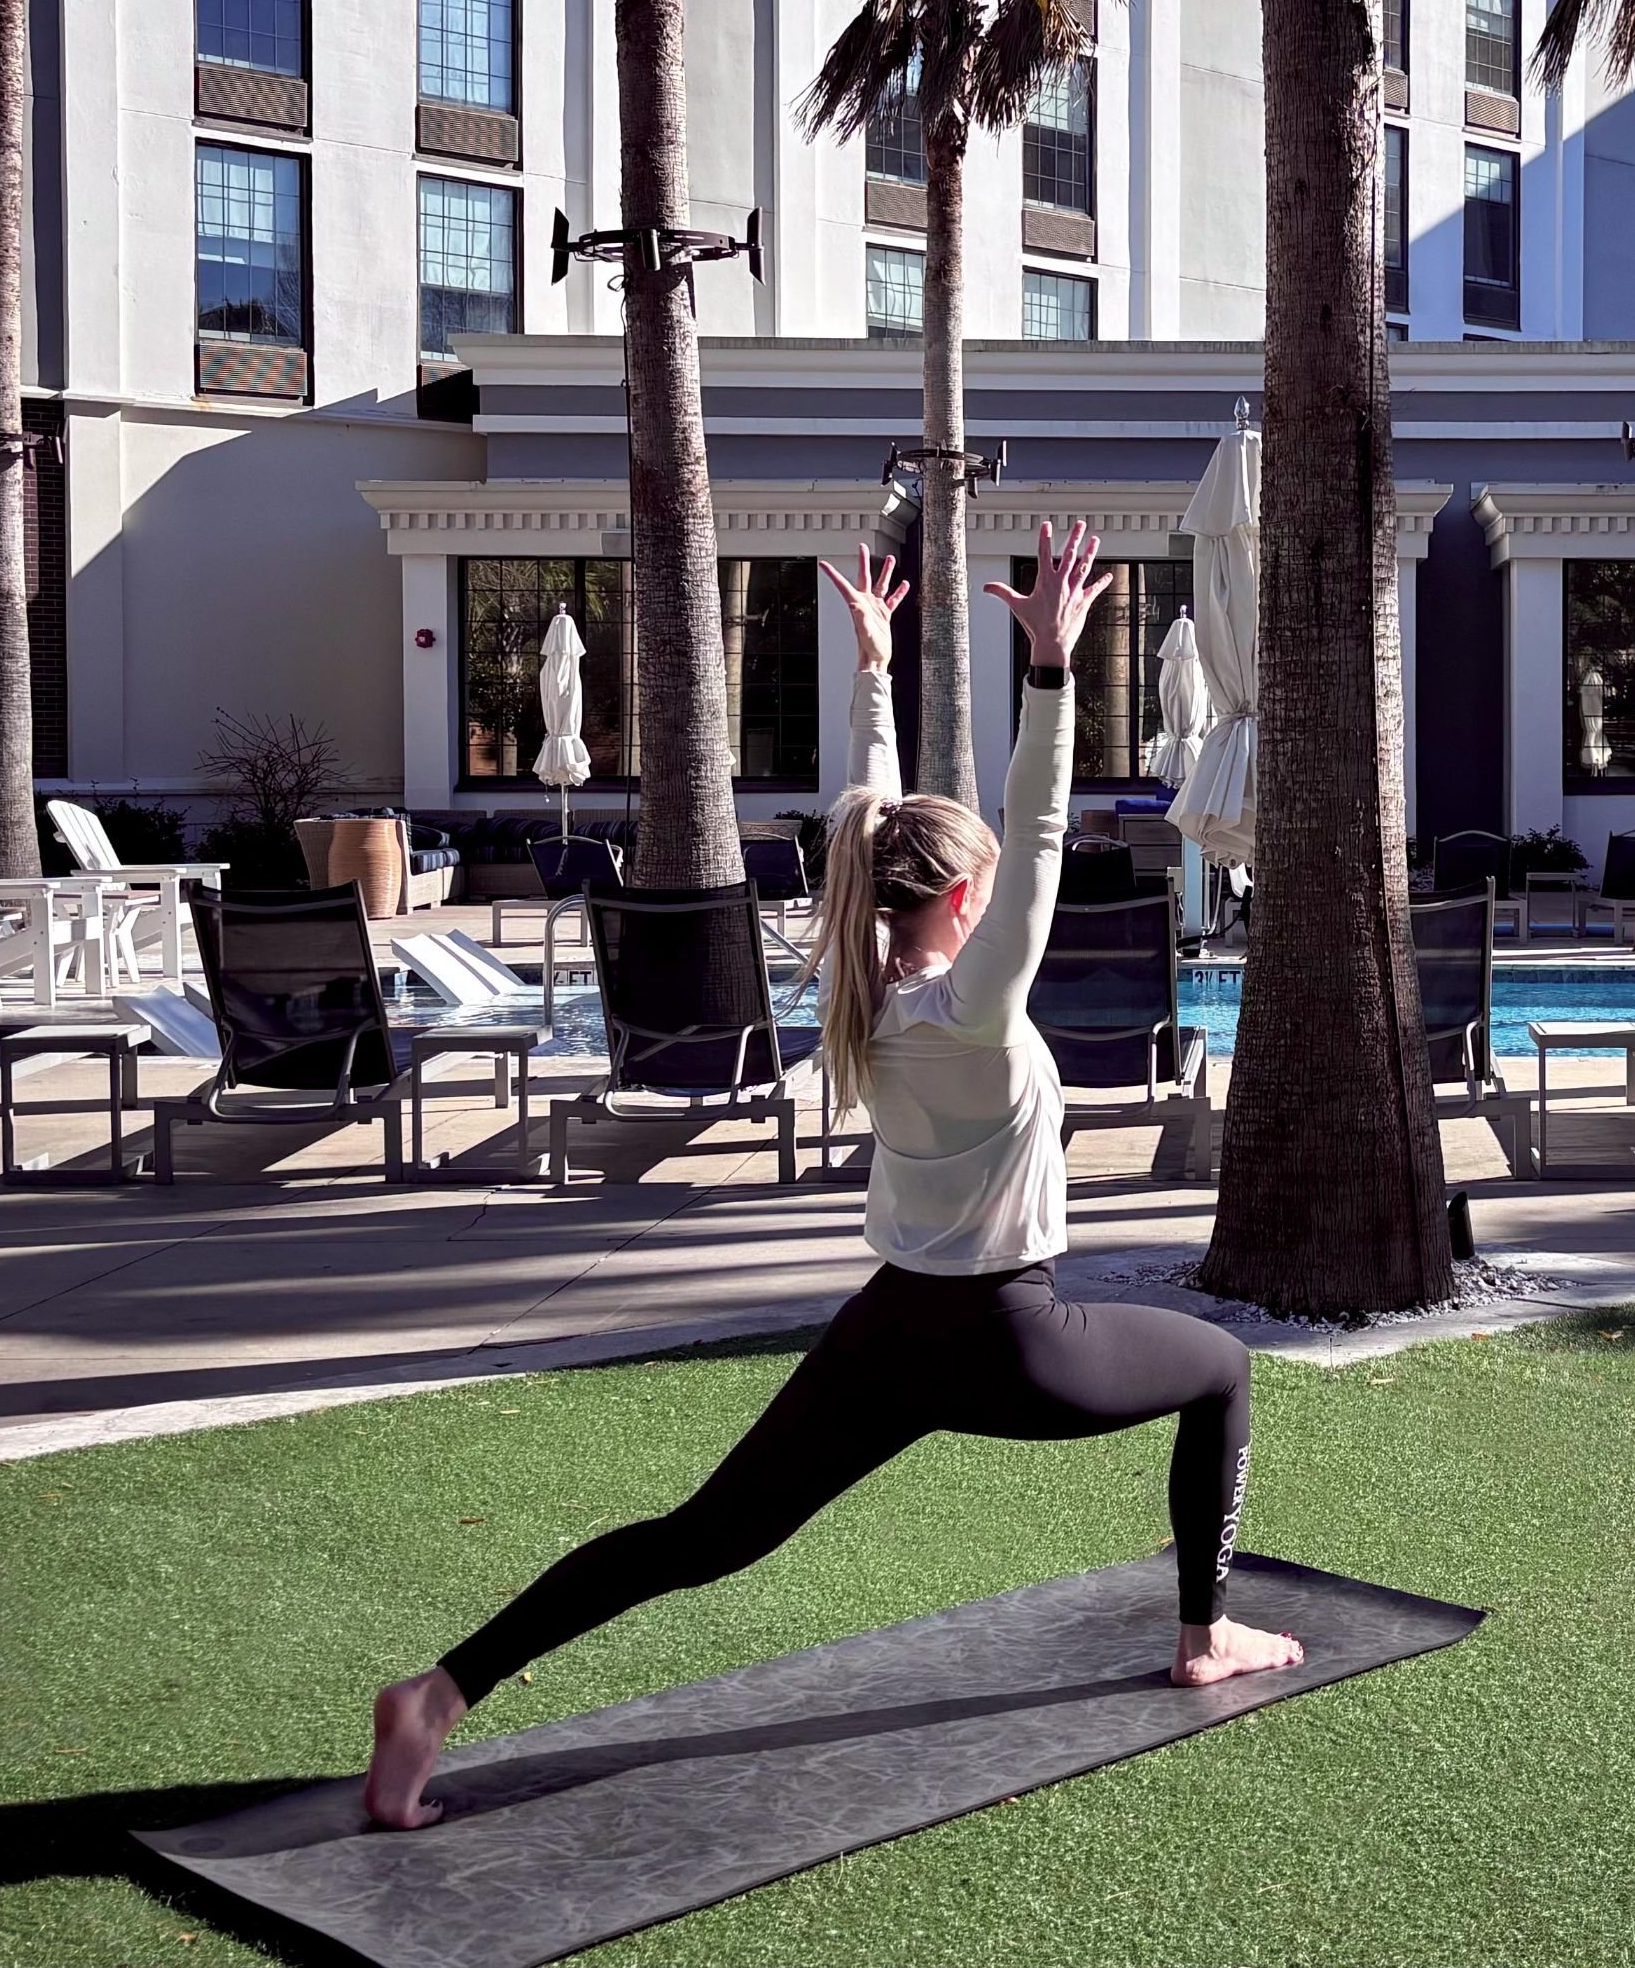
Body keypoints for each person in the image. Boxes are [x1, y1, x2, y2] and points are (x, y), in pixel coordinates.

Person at [363, 521, 1301, 1831]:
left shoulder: (871, 983)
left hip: (884, 1330)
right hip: (1006, 1337)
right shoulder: (971, 1005)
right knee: (1221, 1368)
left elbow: (870, 816)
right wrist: (1047, 670)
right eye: (982, 883)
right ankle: (1204, 1632)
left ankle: (439, 1692)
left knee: (699, 1537)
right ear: (964, 901)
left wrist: (872, 670)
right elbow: (1030, 835)